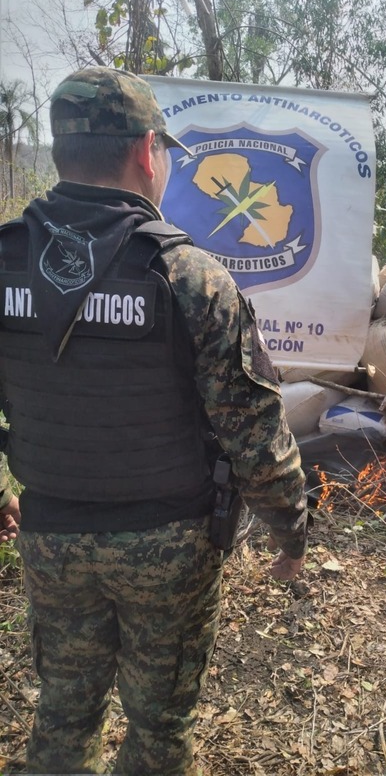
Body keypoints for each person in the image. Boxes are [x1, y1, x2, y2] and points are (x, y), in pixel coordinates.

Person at [0, 66, 309, 775]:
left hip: (51, 537)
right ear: (147, 152)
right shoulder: (190, 277)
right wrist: (290, 529)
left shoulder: (5, 260)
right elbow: (254, 433)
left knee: (64, 704)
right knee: (160, 724)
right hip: (169, 549)